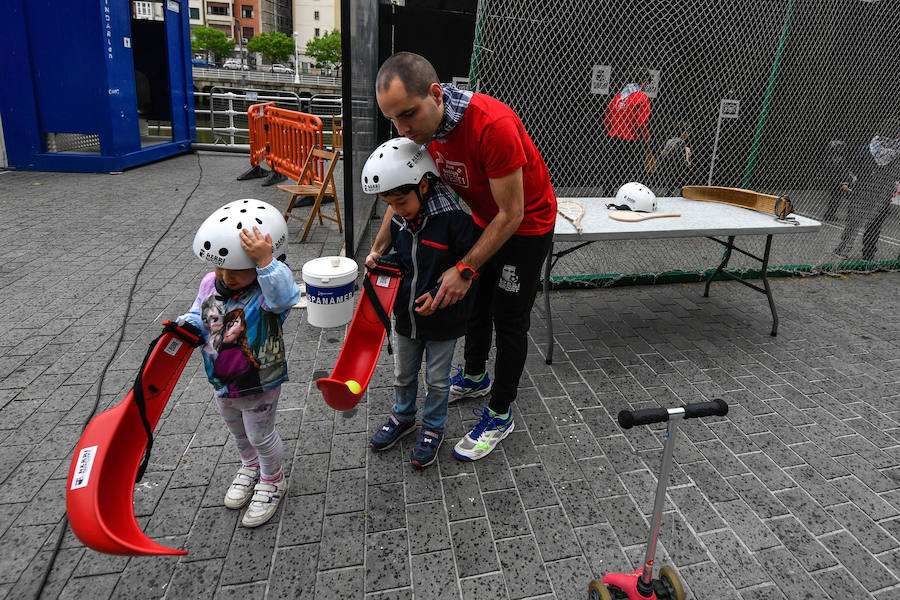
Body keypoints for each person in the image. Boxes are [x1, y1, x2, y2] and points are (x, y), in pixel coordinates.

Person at [368, 52, 557, 461]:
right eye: (393, 120)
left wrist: (465, 267)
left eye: (408, 115)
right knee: (473, 304)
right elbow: (400, 186)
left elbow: (513, 214)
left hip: (526, 225)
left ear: (436, 95)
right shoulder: (421, 133)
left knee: (508, 318)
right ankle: (474, 376)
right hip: (485, 218)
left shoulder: (493, 126)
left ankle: (501, 412)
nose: (402, 130)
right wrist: (379, 247)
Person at [178, 199, 301, 527]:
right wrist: (187, 325)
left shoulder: (267, 291)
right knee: (237, 431)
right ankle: (250, 467)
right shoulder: (210, 283)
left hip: (259, 382)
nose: (225, 276)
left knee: (260, 434)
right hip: (221, 378)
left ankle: (273, 480)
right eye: (221, 268)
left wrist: (266, 263)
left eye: (236, 269)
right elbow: (198, 311)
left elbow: (286, 296)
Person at [362, 137, 480, 468]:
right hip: (406, 316)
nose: (396, 212)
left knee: (439, 380)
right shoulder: (401, 219)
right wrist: (380, 261)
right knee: (403, 374)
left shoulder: (455, 222)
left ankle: (433, 427)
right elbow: (403, 259)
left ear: (424, 186)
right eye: (390, 205)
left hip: (444, 320)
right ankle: (403, 417)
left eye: (400, 202)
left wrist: (444, 294)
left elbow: (470, 271)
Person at [834, 121, 900, 260]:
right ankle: (868, 254)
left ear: (878, 132)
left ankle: (843, 249)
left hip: (862, 191)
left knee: (853, 221)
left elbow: (853, 166)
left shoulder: (868, 148)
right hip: (883, 194)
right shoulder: (897, 153)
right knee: (874, 224)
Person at [604, 68, 652, 193]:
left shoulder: (618, 97)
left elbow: (607, 118)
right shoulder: (642, 97)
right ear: (644, 81)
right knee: (632, 173)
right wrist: (646, 138)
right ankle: (630, 196)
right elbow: (641, 122)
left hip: (614, 139)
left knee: (612, 169)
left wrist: (611, 132)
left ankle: (607, 193)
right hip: (633, 141)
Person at [652, 120, 693, 197]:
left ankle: (670, 193)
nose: (687, 134)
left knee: (674, 182)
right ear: (683, 132)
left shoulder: (671, 140)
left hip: (669, 164)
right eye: (687, 132)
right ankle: (676, 193)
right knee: (678, 180)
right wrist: (687, 160)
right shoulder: (680, 142)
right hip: (678, 165)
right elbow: (682, 153)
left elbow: (665, 151)